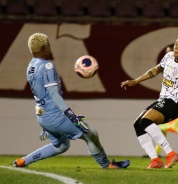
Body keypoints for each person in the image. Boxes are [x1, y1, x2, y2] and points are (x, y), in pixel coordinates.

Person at [13, 33, 130, 169]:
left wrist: (46, 123)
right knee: (90, 133)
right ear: (45, 47)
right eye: (49, 45)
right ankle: (107, 164)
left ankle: (23, 161)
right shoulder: (47, 66)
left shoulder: (30, 66)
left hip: (42, 115)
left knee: (61, 146)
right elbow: (54, 94)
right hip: (54, 115)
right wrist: (71, 115)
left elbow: (39, 92)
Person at [121, 34, 178, 169]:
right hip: (163, 99)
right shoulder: (169, 56)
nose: (176, 48)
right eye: (175, 44)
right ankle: (155, 160)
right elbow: (156, 70)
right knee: (137, 124)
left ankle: (170, 153)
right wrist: (136, 81)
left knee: (145, 121)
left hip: (175, 104)